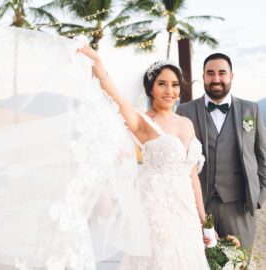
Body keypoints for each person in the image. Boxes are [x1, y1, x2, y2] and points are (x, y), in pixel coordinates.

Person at [78, 44, 209, 269]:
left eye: (175, 85)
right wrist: (98, 65)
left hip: (186, 214)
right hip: (157, 212)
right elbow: (116, 97)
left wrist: (204, 217)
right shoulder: (142, 121)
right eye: (162, 84)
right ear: (150, 89)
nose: (170, 91)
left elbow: (192, 176)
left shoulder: (186, 124)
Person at [176, 53, 266, 250]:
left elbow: (263, 159)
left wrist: (258, 198)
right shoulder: (184, 111)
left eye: (222, 73)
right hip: (198, 206)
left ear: (231, 76)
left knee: (238, 262)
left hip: (239, 208)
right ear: (203, 76)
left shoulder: (251, 110)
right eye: (210, 73)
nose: (216, 79)